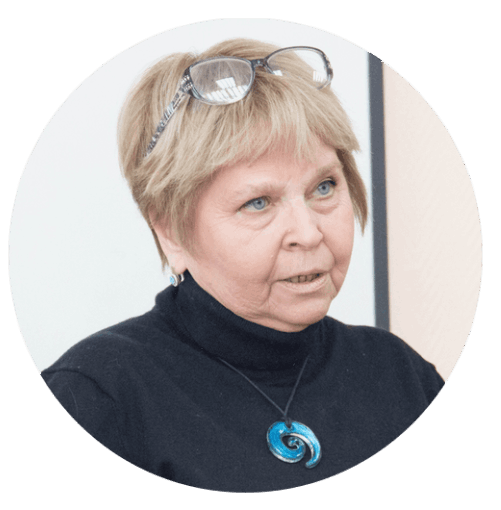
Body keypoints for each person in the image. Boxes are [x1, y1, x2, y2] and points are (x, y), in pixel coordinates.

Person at [40, 38, 445, 492]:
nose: (309, 232)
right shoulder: (96, 398)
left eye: (325, 187)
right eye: (258, 202)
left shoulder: (399, 375)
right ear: (171, 231)